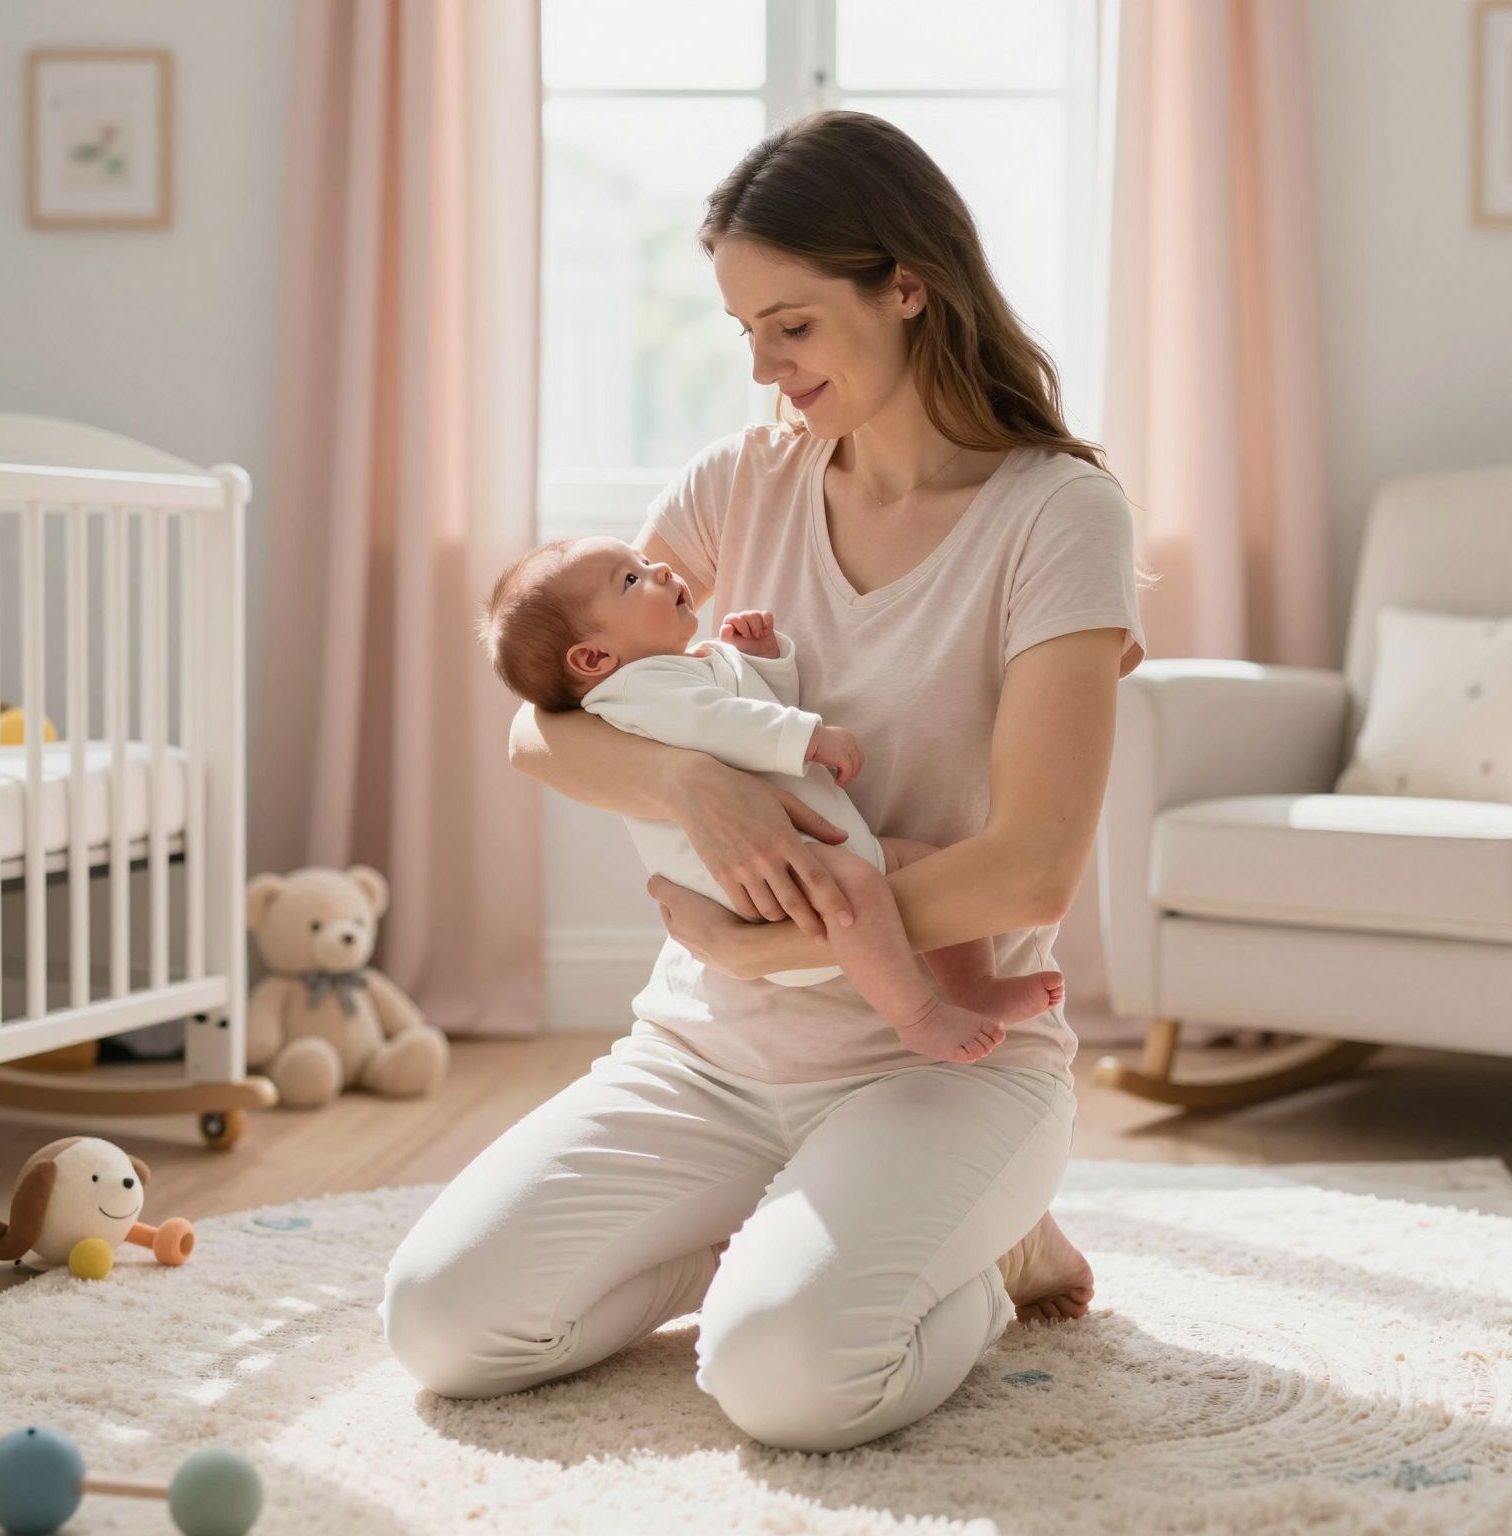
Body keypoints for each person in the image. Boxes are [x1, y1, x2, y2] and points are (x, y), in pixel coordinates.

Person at [381, 109, 1147, 1454]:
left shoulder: (1058, 515)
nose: (762, 369)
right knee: (443, 1324)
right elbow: (544, 724)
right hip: (712, 1051)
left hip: (946, 1062)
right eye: (744, 332)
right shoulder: (743, 484)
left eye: (789, 326)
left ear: (907, 284)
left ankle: (988, 1247)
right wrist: (695, 789)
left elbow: (1032, 866)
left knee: (787, 1381)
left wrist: (775, 939)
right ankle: (791, 1237)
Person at [476, 534, 1063, 1062]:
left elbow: (750, 708)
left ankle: (975, 987)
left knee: (931, 866)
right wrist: (809, 737)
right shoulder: (632, 693)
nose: (658, 570)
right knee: (856, 892)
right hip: (763, 887)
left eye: (646, 560)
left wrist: (759, 659)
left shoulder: (686, 669)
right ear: (593, 659)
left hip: (822, 847)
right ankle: (918, 1016)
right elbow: (720, 724)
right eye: (631, 579)